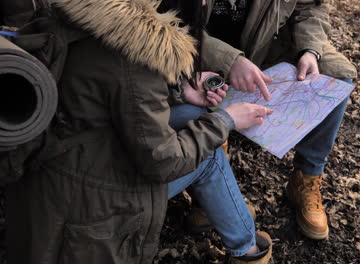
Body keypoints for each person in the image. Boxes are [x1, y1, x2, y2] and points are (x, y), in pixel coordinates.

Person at [5, 0, 274, 263]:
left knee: (193, 115)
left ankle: (214, 210)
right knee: (210, 156)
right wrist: (227, 120)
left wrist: (180, 88)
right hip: (89, 203)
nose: (205, 5)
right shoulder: (135, 62)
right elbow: (163, 162)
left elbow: (109, 93)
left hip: (56, 167)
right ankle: (249, 251)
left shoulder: (89, 15)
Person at [196, 0, 358, 240]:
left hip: (263, 49)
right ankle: (209, 176)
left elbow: (309, 8)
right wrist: (229, 61)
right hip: (197, 53)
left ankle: (305, 179)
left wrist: (310, 50)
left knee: (337, 75)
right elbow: (162, 24)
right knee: (190, 90)